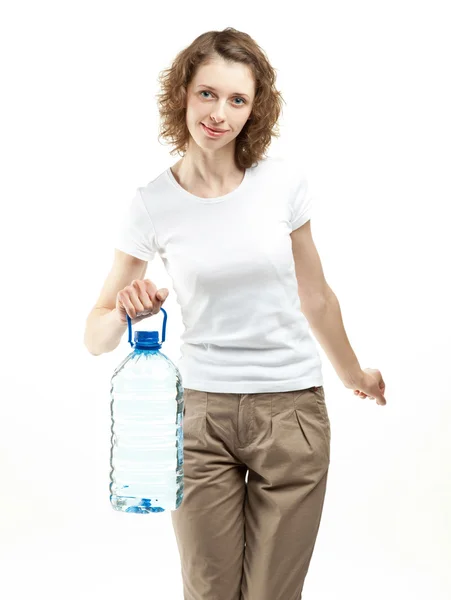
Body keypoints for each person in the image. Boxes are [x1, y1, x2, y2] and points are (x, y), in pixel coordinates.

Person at [84, 27, 387, 600]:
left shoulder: (283, 183)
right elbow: (94, 337)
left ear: (255, 108)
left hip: (291, 411)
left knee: (273, 594)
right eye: (206, 94)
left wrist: (355, 376)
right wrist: (128, 314)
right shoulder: (152, 203)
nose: (219, 113)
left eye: (237, 99)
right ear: (182, 95)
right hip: (200, 418)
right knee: (209, 591)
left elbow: (316, 295)